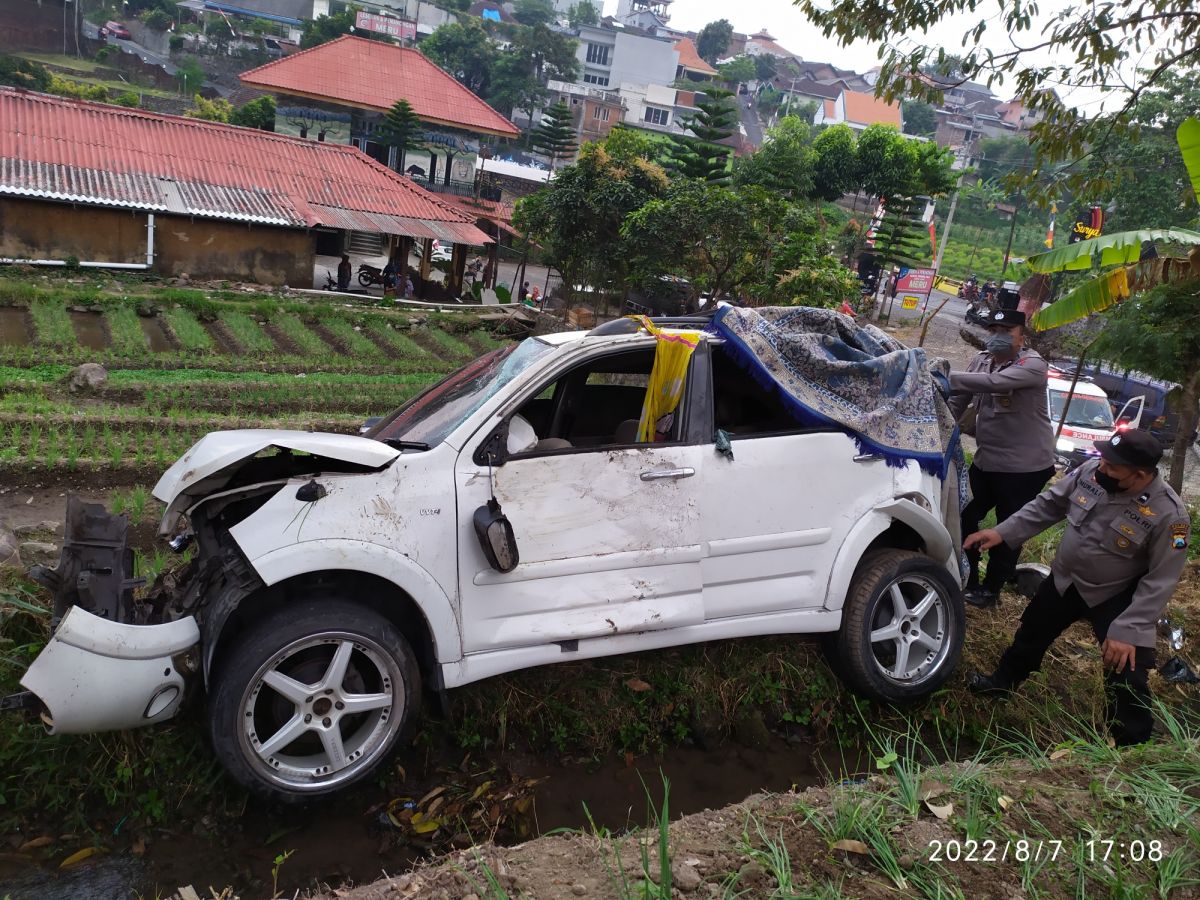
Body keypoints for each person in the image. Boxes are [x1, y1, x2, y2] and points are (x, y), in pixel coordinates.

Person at [964, 430, 1189, 746]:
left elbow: (1162, 578)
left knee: (1126, 668)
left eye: (1113, 467)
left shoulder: (1171, 515)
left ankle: (1132, 740)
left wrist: (1128, 628)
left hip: (1115, 594)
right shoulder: (1092, 471)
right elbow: (1049, 504)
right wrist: (1002, 532)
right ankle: (1001, 684)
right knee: (1031, 633)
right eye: (1104, 461)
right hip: (1065, 580)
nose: (1103, 470)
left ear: (1140, 475)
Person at [947, 309, 1055, 607]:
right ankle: (967, 577)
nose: (998, 336)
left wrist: (941, 373)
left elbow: (991, 384)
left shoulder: (1032, 365)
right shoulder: (982, 360)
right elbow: (959, 397)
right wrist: (944, 430)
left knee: (1009, 529)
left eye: (1006, 330)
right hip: (987, 460)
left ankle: (991, 590)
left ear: (1022, 335)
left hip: (1024, 467)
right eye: (994, 330)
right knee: (965, 513)